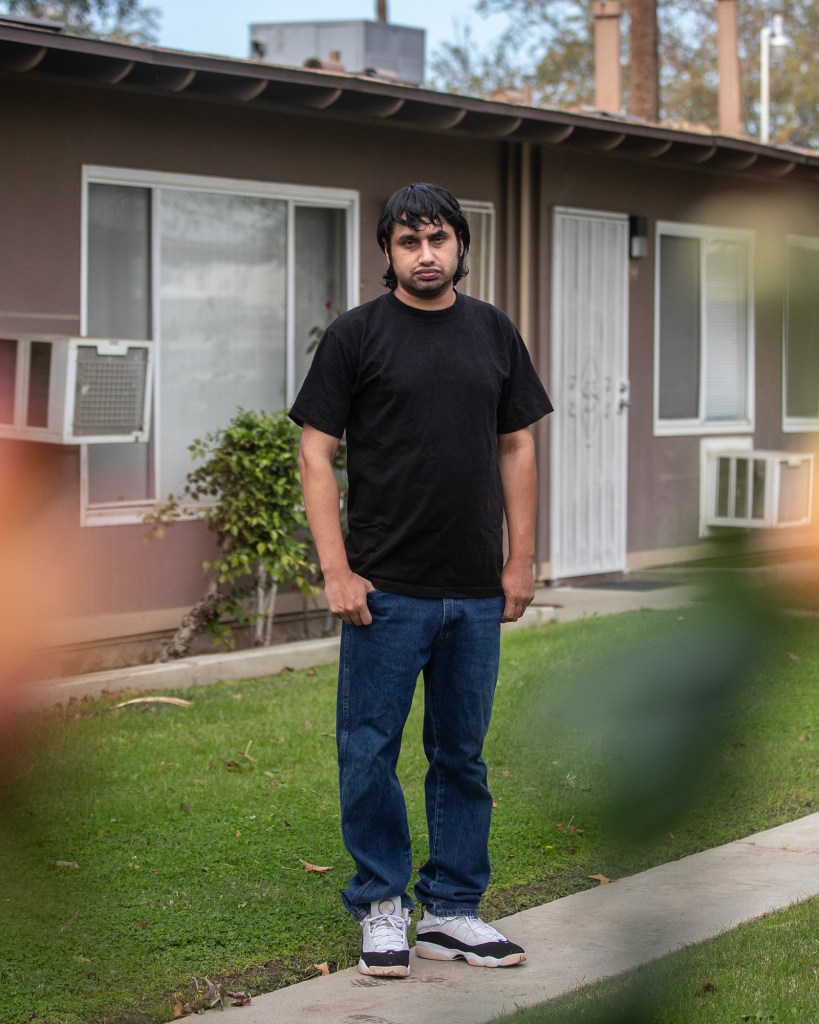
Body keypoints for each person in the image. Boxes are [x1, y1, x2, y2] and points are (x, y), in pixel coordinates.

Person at [289, 182, 552, 978]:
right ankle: (381, 902)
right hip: (384, 590)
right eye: (409, 242)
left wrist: (518, 559)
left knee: (460, 755)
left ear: (461, 245)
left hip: (472, 587)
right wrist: (336, 570)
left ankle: (451, 909)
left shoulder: (493, 333)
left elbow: (517, 447)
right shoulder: (355, 336)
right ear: (387, 253)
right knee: (368, 752)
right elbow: (315, 453)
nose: (425, 254)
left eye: (437, 238)